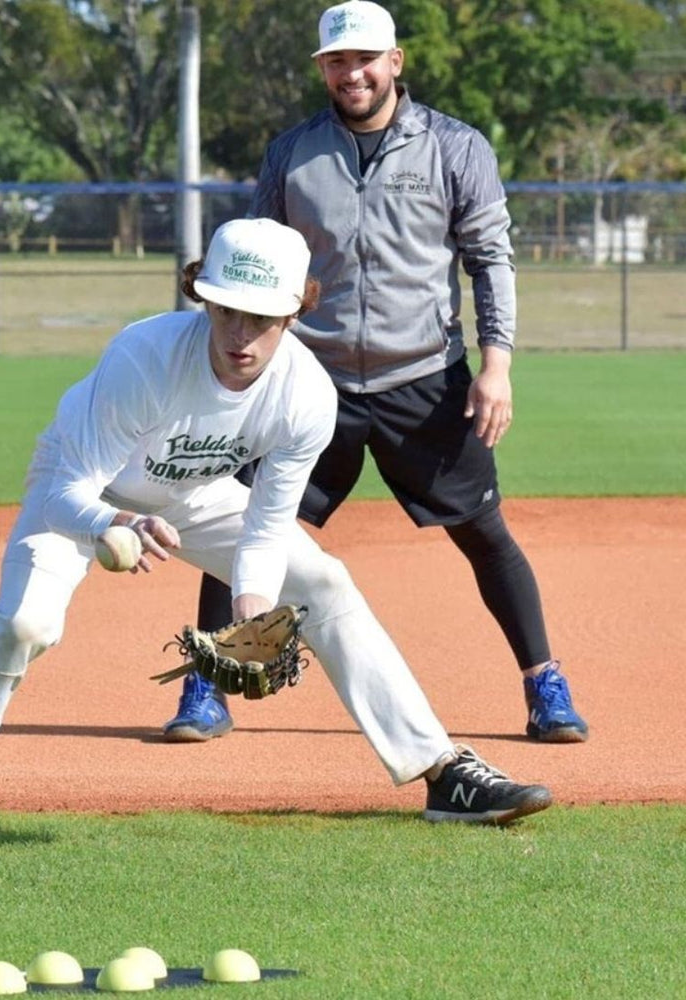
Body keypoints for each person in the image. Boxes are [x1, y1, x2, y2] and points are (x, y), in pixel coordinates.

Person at [0, 217, 552, 834]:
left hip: (193, 492)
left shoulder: (306, 395)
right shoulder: (144, 355)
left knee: (322, 582)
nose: (241, 334)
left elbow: (266, 529)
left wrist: (252, 618)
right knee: (25, 624)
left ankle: (441, 771)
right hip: (87, 490)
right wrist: (117, 521)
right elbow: (67, 492)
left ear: (294, 313)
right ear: (203, 299)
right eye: (227, 310)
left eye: (262, 317)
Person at [162, 0, 588, 747]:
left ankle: (544, 683)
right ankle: (209, 685)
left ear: (395, 61)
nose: (351, 73)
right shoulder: (293, 153)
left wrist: (496, 365)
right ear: (323, 69)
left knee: (483, 533)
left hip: (424, 378)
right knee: (243, 525)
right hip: (310, 379)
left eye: (364, 58)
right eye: (337, 61)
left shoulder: (456, 147)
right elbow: (259, 264)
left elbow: (490, 260)